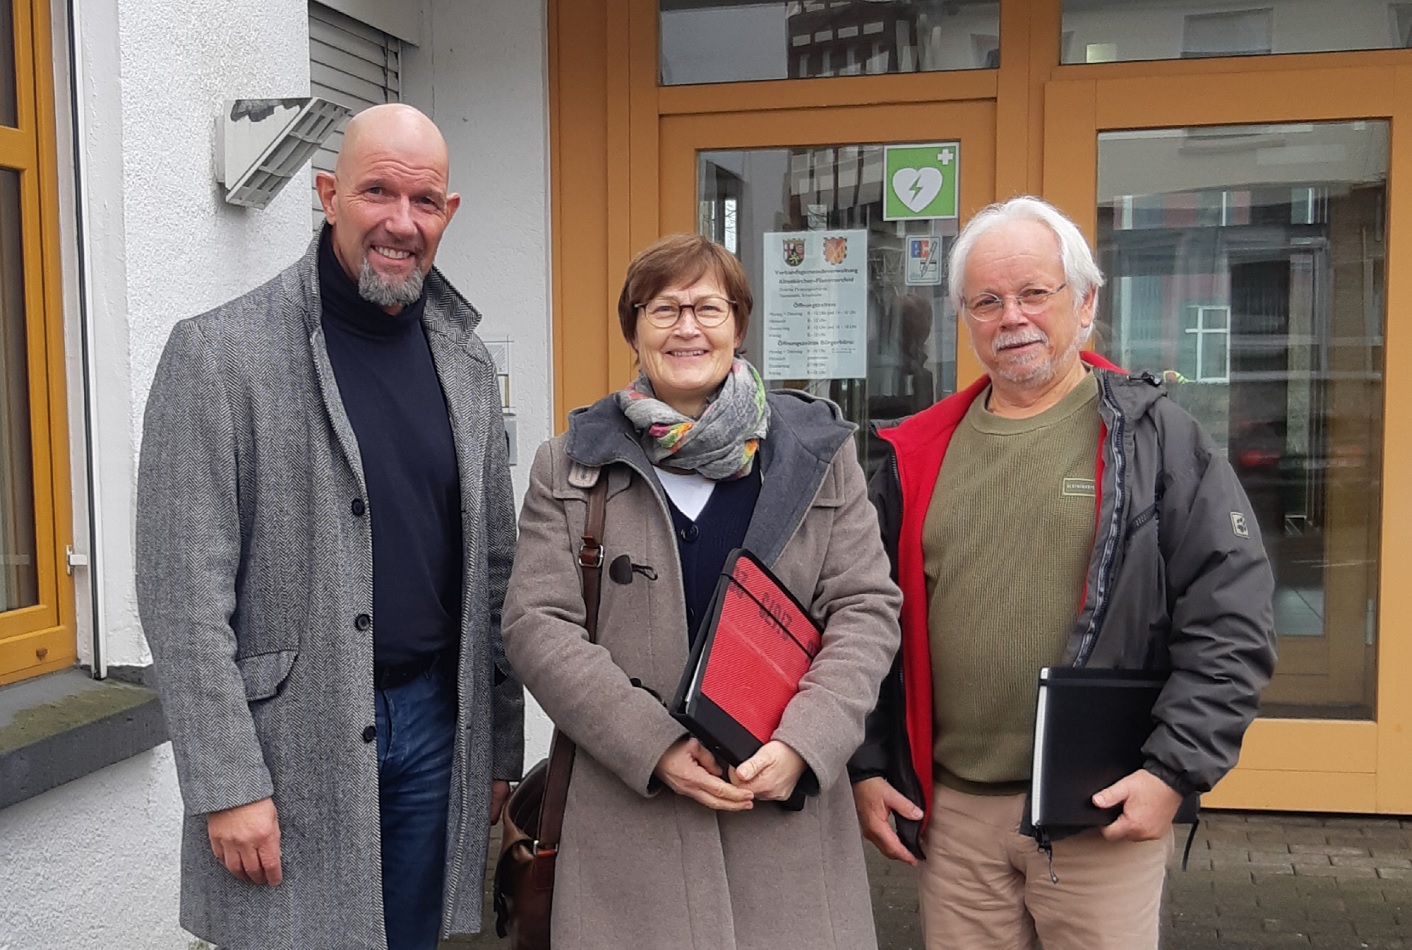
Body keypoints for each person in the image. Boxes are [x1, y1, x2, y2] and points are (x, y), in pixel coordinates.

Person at [136, 103, 523, 950]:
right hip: (286, 739)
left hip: (433, 725)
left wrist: (498, 748)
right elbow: (181, 596)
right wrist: (227, 783)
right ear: (327, 194)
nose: (400, 222)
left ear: (447, 214)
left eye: (424, 202)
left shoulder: (463, 360)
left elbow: (495, 570)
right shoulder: (219, 354)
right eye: (376, 192)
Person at [849, 196, 1278, 950]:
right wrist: (871, 761)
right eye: (986, 301)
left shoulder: (1160, 441)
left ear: (1085, 303)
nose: (1010, 317)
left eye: (1034, 293)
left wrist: (1173, 771)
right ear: (966, 318)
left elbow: (1231, 621)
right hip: (954, 817)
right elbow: (867, 620)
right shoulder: (914, 454)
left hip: (1100, 808)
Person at [501, 233, 902, 950]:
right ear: (633, 328)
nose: (688, 327)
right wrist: (651, 744)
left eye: (709, 307)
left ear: (739, 324)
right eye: (664, 308)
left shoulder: (815, 454)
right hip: (631, 824)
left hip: (784, 820)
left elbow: (866, 608)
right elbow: (537, 624)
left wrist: (806, 744)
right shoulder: (570, 464)